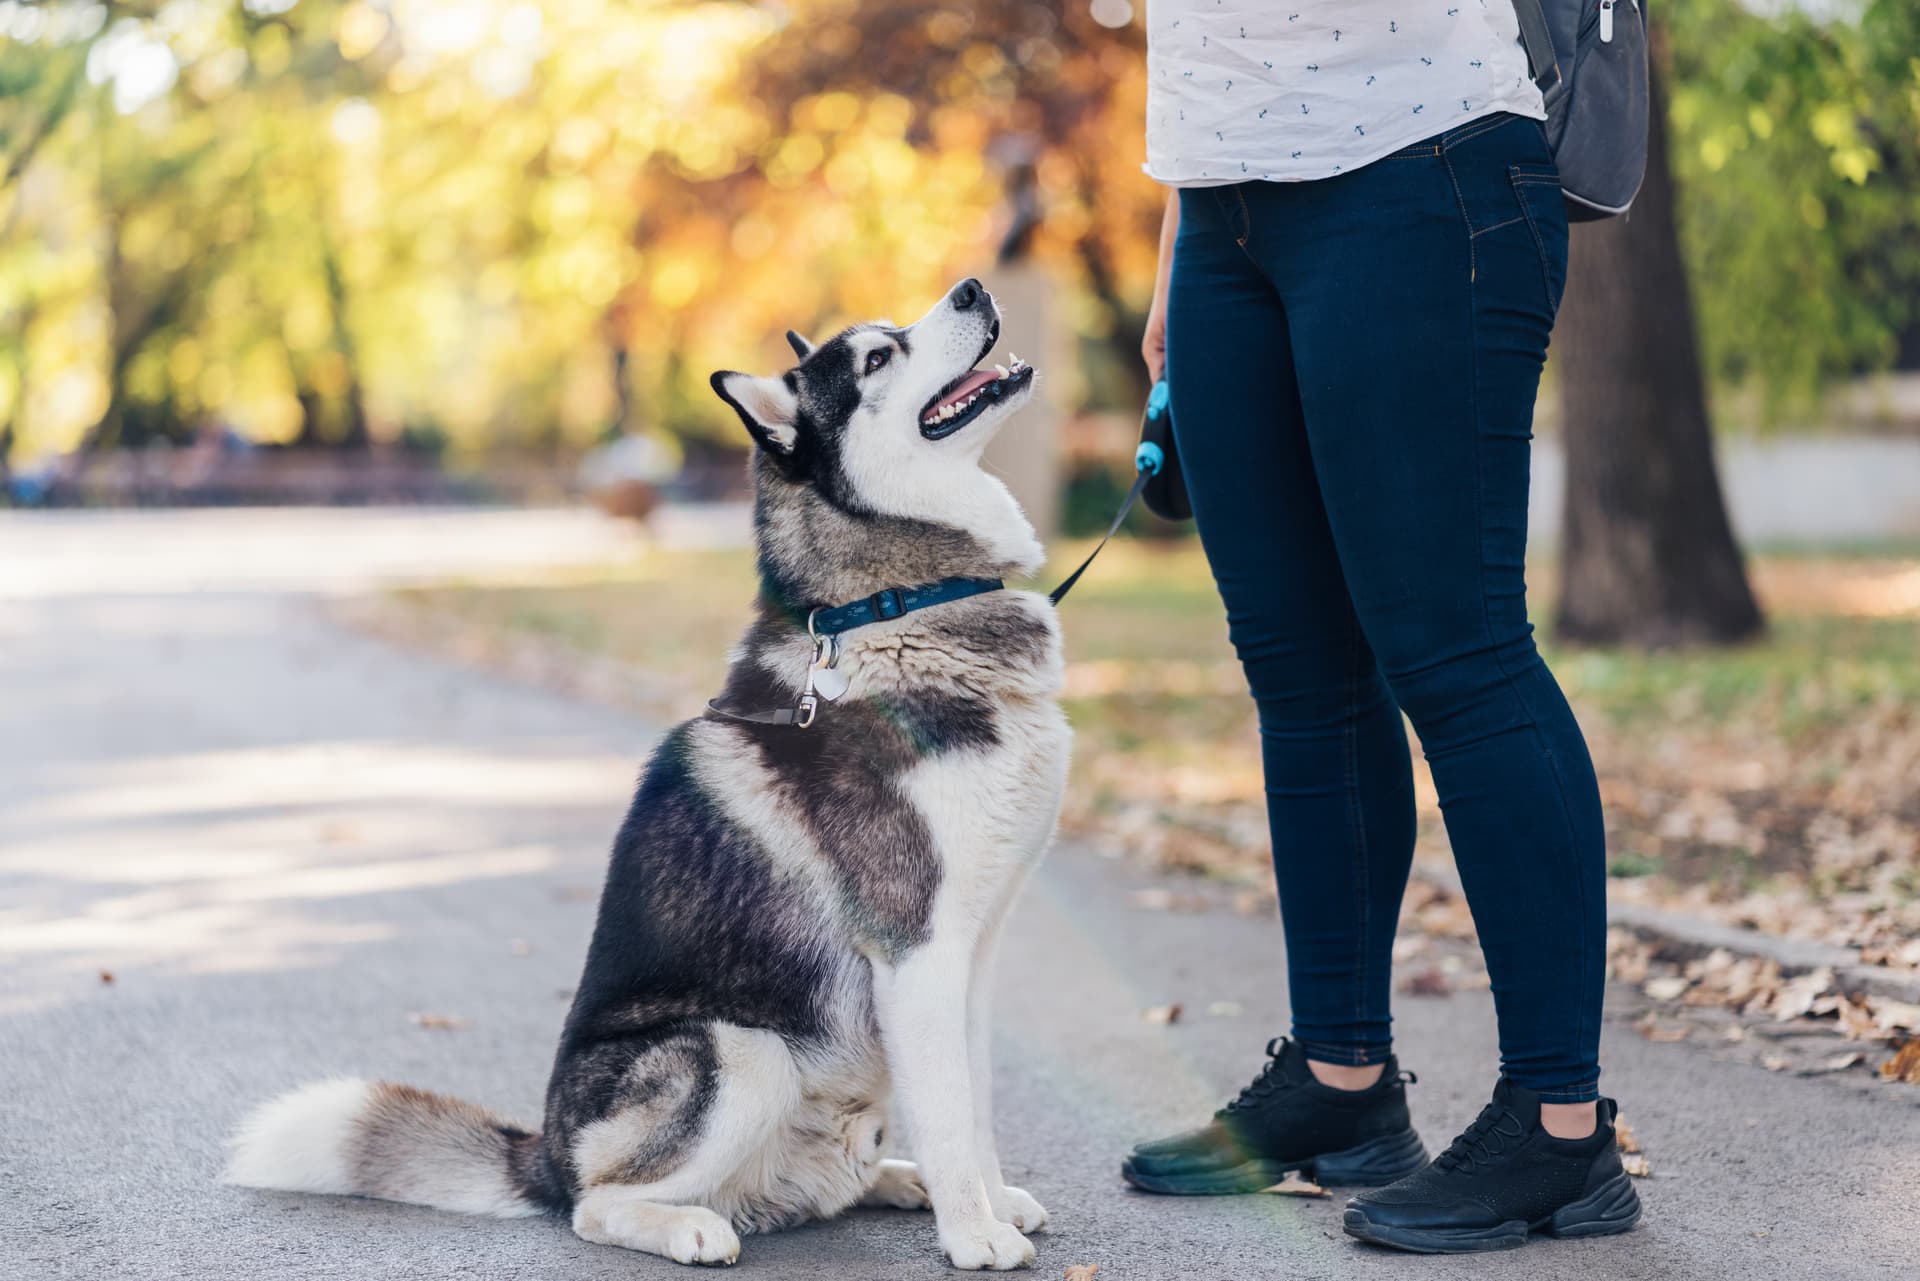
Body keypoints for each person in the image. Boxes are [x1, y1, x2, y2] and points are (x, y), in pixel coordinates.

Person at [1118, 2, 1642, 1253]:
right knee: (1298, 671)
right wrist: (1178, 233)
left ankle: (1562, 1131)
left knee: (1458, 655)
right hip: (1221, 208)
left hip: (1422, 167)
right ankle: (1345, 1083)